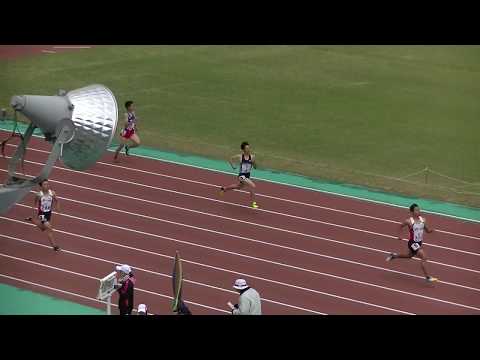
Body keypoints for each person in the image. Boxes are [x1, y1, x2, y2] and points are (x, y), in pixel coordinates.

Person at [386, 203, 438, 282]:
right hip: (412, 243)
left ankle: (394, 256)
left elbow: (426, 230)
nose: (418, 211)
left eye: (419, 209)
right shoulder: (409, 221)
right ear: (412, 212)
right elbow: (400, 226)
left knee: (408, 256)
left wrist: (431, 230)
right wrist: (399, 235)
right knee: (424, 257)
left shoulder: (423, 220)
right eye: (416, 210)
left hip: (419, 242)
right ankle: (428, 277)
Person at [220, 141, 258, 209]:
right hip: (241, 176)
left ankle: (224, 189)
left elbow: (255, 167)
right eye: (247, 148)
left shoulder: (252, 157)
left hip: (247, 176)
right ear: (243, 149)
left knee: (238, 187)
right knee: (252, 185)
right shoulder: (240, 156)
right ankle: (253, 203)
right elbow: (231, 158)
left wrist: (254, 163)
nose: (248, 149)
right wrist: (233, 166)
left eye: (249, 148)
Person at [25, 179, 61, 251]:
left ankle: (31, 220)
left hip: (48, 213)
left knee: (43, 228)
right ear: (41, 186)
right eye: (45, 184)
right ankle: (55, 246)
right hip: (42, 213)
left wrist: (57, 207)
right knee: (49, 228)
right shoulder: (39, 195)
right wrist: (33, 210)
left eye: (48, 184)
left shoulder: (52, 193)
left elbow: (57, 200)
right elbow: (35, 203)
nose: (47, 186)